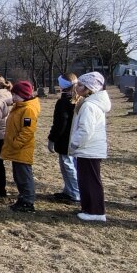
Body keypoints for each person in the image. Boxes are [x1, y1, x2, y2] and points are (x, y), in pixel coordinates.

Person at [68, 71, 111, 222]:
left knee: (90, 181)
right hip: (88, 148)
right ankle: (88, 208)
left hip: (89, 149)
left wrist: (74, 143)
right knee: (85, 180)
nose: (77, 87)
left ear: (90, 88)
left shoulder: (89, 106)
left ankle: (96, 211)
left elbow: (85, 130)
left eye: (80, 85)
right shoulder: (89, 103)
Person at [3, 81, 41, 213]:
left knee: (24, 176)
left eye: (15, 95)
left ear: (23, 95)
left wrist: (16, 143)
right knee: (18, 175)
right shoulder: (20, 106)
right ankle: (23, 198)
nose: (12, 97)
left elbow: (27, 131)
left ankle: (28, 201)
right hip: (17, 149)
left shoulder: (28, 110)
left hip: (21, 149)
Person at [46, 74, 80, 205]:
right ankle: (68, 190)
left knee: (68, 166)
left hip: (66, 140)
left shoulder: (64, 102)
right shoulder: (78, 99)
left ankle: (75, 193)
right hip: (75, 138)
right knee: (71, 165)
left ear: (62, 86)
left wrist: (52, 139)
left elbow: (60, 123)